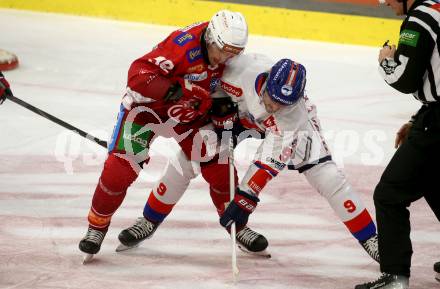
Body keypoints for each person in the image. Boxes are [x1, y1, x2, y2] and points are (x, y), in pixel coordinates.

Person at [122, 54, 380, 261]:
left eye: (283, 103)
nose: (274, 106)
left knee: (328, 177)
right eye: (273, 98)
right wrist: (216, 105)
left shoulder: (293, 115)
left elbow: (268, 160)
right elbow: (203, 79)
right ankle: (148, 221)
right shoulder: (239, 69)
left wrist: (245, 198)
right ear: (266, 81)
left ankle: (371, 240)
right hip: (238, 115)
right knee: (192, 156)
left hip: (284, 132)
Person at [78, 10, 268, 259]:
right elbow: (138, 74)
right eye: (224, 51)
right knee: (119, 171)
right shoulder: (182, 47)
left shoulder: (225, 54)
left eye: (234, 52)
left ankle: (238, 226)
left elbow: (221, 84)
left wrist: (221, 104)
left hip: (189, 113)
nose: (227, 58)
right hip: (146, 111)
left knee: (220, 167)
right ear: (211, 38)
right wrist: (178, 92)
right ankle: (96, 227)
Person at [354, 0, 440, 288]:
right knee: (433, 183)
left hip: (438, 123)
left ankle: (395, 276)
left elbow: (405, 79)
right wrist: (418, 119)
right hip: (433, 117)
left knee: (390, 194)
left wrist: (385, 60)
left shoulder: (419, 20)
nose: (384, 1)